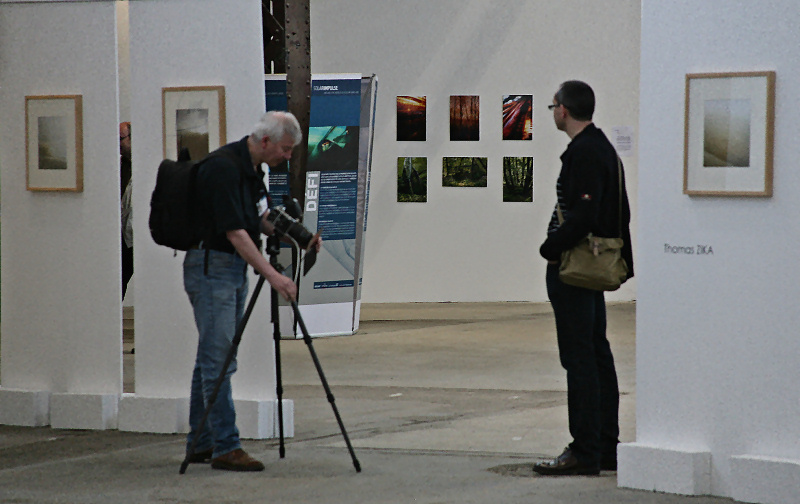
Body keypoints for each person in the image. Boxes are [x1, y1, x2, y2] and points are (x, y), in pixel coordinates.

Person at [183, 111, 320, 472]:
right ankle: (226, 446)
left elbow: (260, 218)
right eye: (285, 149)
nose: (287, 156)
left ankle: (201, 440)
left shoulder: (252, 171)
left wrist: (300, 237)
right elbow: (236, 232)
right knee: (219, 360)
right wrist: (274, 276)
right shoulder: (224, 168)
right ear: (265, 141)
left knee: (212, 356)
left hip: (229, 268)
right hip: (212, 267)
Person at [534, 81, 634, 476]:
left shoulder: (587, 151)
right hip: (587, 268)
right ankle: (604, 446)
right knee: (595, 353)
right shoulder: (600, 147)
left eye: (553, 106)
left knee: (581, 359)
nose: (553, 112)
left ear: (564, 109)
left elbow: (584, 215)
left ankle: (586, 450)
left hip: (575, 270)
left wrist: (551, 247)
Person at [119, 122, 134, 300]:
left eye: (121, 138)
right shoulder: (118, 166)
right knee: (119, 281)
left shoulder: (147, 165)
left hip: (141, 234)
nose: (118, 143)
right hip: (122, 236)